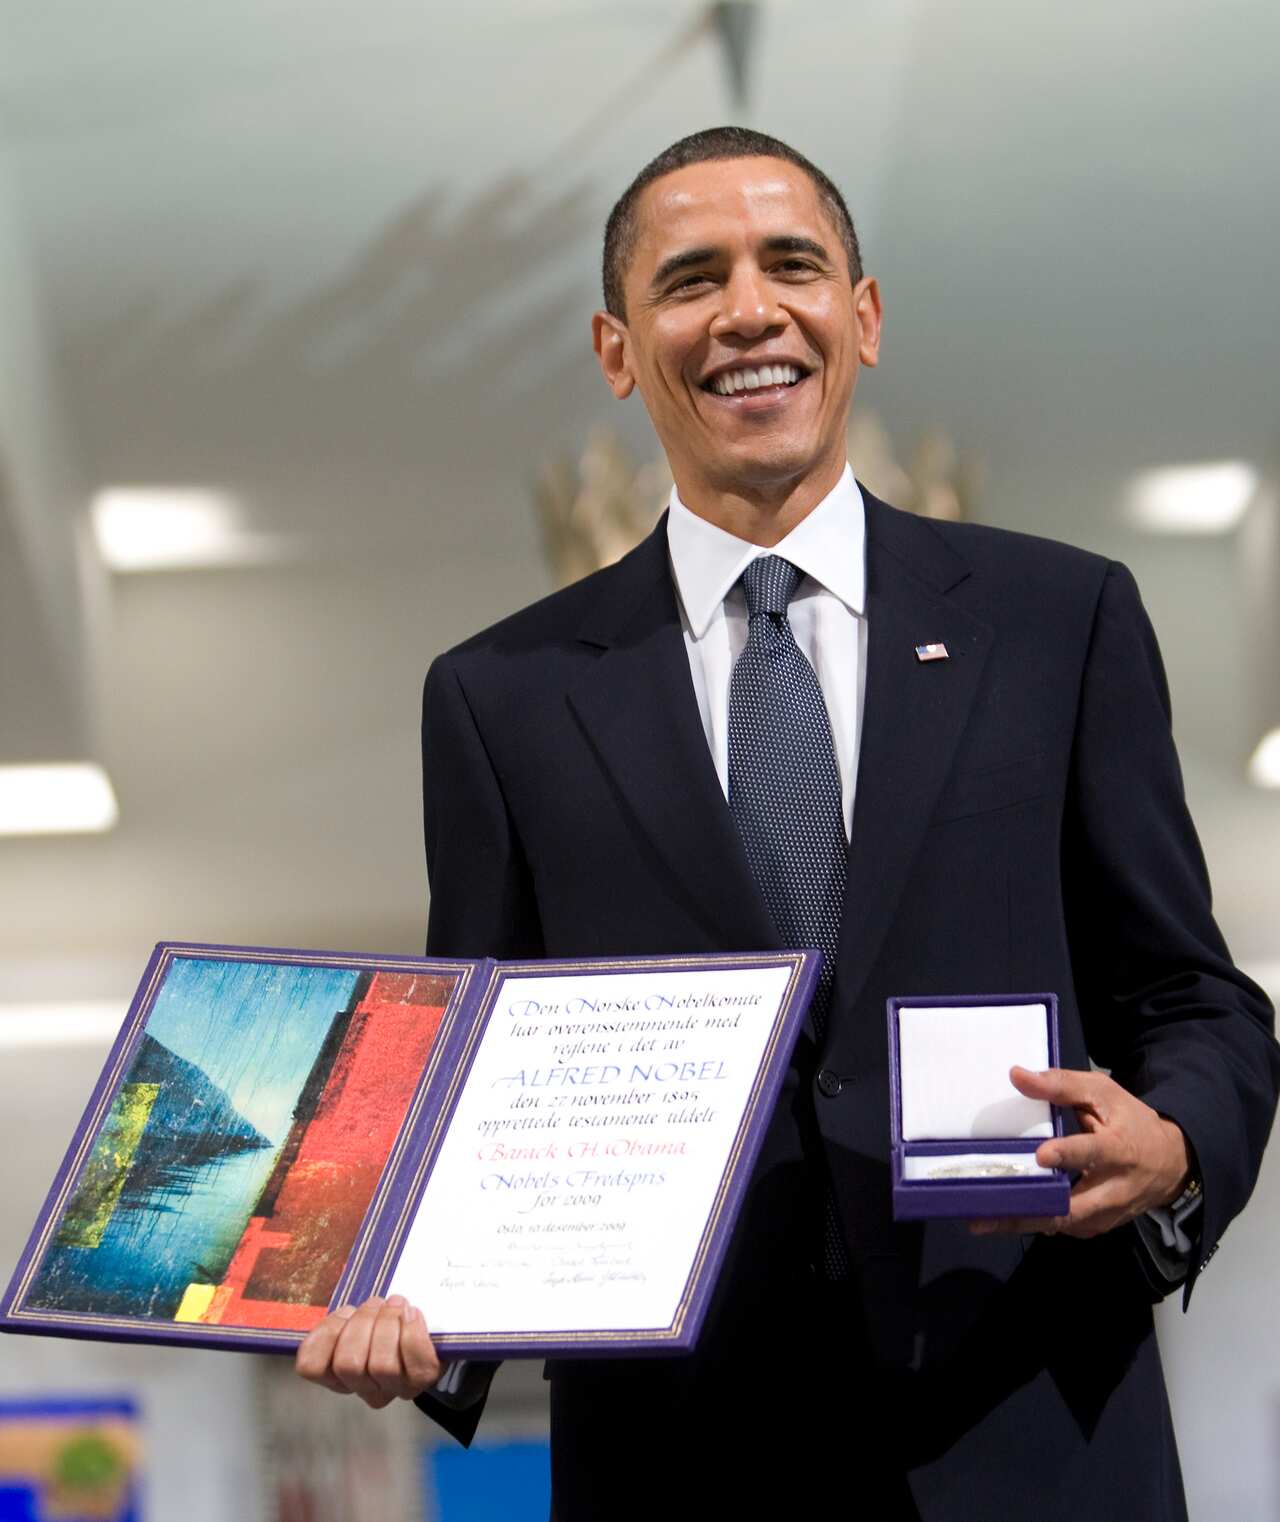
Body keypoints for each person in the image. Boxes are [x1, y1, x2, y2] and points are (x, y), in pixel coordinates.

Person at [297, 127, 1279, 1520]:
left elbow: (1197, 998)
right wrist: (411, 1297)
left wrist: (1176, 1138)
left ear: (861, 319)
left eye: (793, 265)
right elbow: (479, 1080)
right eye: (691, 279)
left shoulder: (1060, 623)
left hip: (1033, 1437)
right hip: (681, 1460)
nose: (749, 311)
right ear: (618, 349)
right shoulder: (500, 699)